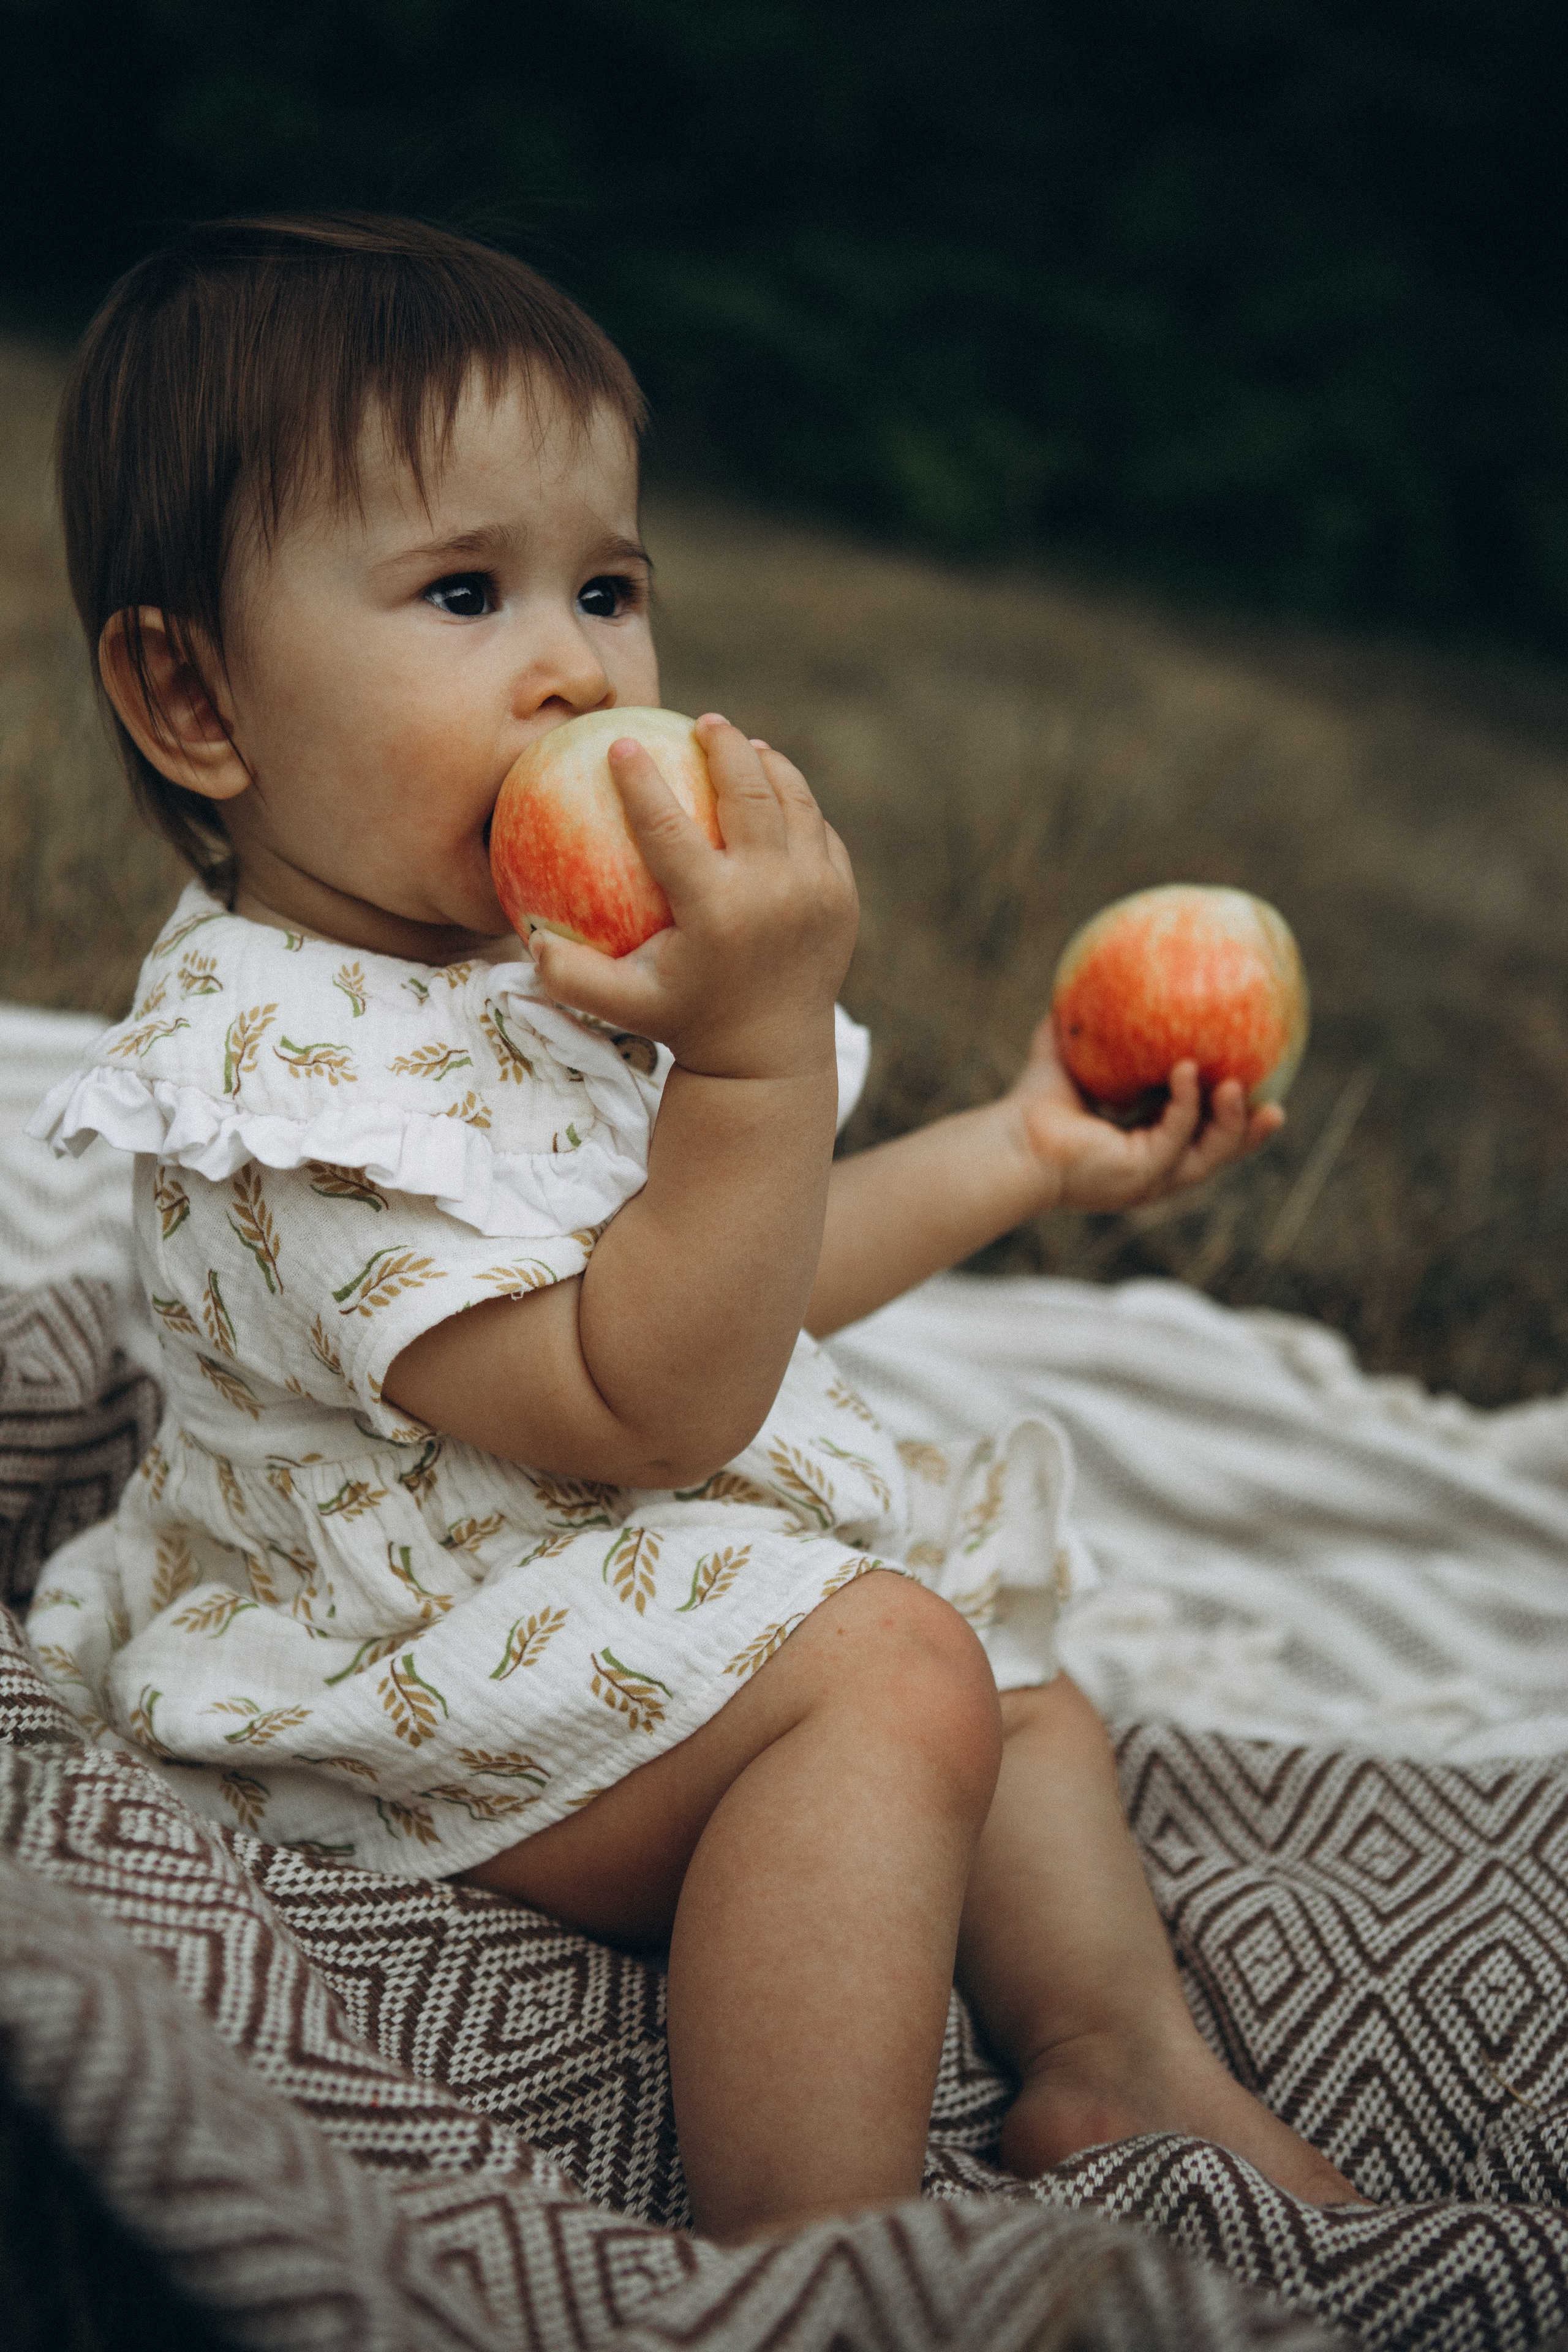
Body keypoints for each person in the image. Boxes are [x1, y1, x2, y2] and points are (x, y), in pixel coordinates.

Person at [28, 213, 1357, 2239]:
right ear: (194, 698)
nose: (576, 666)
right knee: (889, 1670)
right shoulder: (283, 1084)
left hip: (594, 1547)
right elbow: (640, 1398)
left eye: (610, 585)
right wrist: (745, 1075)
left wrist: (1015, 1144)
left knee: (988, 1630)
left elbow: (741, 1288)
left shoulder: (527, 962)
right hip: (396, 1677)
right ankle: (800, 2258)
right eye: (465, 588)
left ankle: (1116, 2062)